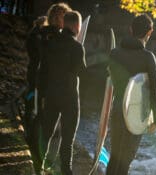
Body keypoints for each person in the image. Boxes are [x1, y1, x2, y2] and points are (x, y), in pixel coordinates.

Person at [107, 14, 156, 175]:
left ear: (130, 29)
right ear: (149, 32)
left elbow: (110, 78)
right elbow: (155, 90)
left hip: (117, 109)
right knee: (126, 160)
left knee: (115, 157)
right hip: (135, 114)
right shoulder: (148, 57)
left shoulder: (114, 53)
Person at [25, 2, 72, 173]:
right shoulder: (48, 36)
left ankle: (39, 155)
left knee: (44, 121)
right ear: (56, 17)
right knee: (42, 121)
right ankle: (38, 157)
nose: (65, 22)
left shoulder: (50, 34)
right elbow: (41, 60)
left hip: (45, 84)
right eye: (63, 17)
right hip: (43, 84)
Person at [39, 10, 85, 175]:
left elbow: (43, 70)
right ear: (77, 26)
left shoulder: (50, 43)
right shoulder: (77, 47)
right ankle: (66, 171)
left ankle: (37, 166)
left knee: (46, 134)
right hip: (69, 99)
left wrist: (42, 95)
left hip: (51, 95)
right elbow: (81, 72)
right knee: (67, 141)